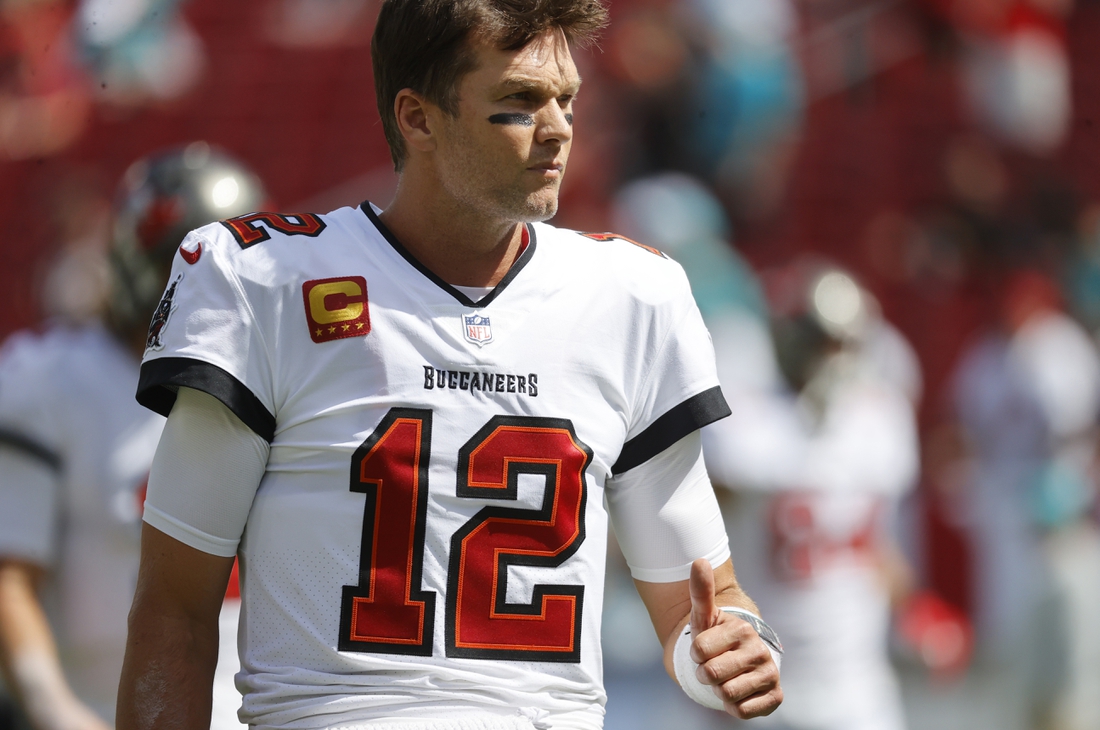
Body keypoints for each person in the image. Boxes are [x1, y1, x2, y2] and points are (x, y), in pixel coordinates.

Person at [115, 2, 784, 729]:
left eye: (566, 99)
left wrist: (729, 648)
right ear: (419, 118)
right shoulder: (264, 282)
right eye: (520, 101)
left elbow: (699, 601)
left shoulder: (631, 298)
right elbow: (175, 611)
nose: (558, 127)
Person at [0, 142, 264, 730]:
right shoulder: (48, 380)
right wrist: (58, 715)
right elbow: (8, 576)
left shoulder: (278, 382)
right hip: (102, 710)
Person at [702, 262, 920, 730]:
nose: (833, 357)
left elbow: (874, 546)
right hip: (765, 679)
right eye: (823, 341)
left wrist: (915, 609)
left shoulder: (876, 422)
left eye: (843, 343)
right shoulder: (752, 425)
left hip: (857, 685)